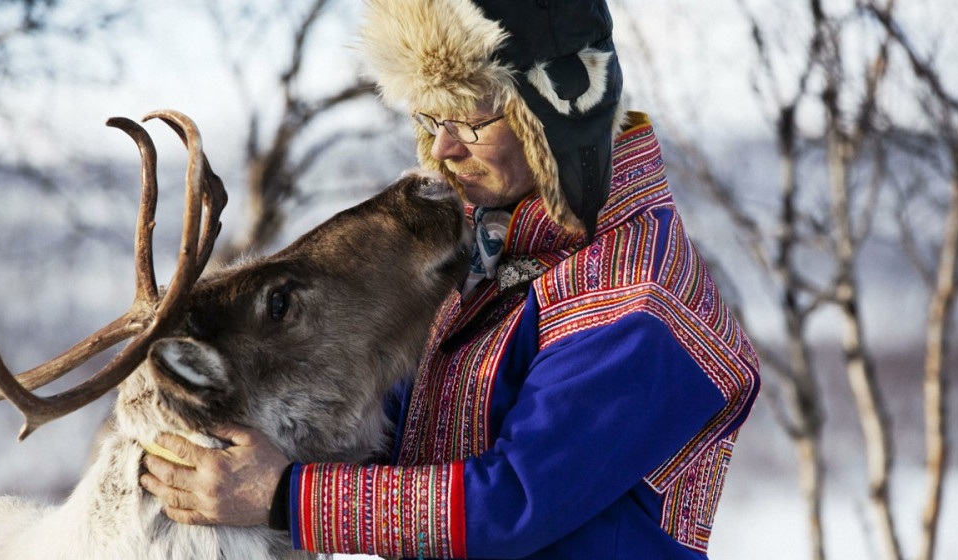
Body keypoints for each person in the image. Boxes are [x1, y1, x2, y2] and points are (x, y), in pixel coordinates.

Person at [139, 0, 761, 558]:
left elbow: (512, 503)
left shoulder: (636, 303)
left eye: (470, 120)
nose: (443, 149)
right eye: (432, 118)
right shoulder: (493, 255)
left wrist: (285, 498)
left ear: (557, 111)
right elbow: (411, 430)